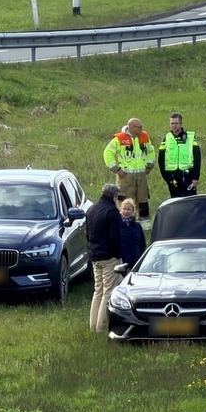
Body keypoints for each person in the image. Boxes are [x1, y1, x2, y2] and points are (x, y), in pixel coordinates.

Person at [103, 118, 155, 232]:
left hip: (141, 176)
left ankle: (144, 228)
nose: (142, 129)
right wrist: (116, 169)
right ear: (131, 127)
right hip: (125, 177)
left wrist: (149, 165)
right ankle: (124, 225)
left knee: (143, 201)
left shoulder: (144, 137)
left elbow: (151, 151)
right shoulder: (119, 139)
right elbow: (107, 153)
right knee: (125, 201)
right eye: (139, 127)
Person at [86, 183, 124, 333]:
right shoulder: (112, 212)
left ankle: (92, 325)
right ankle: (101, 327)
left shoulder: (91, 209)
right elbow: (114, 238)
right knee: (108, 291)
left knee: (98, 290)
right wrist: (118, 255)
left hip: (94, 255)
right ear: (114, 196)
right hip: (109, 257)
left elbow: (88, 234)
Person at [158, 112, 202, 200]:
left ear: (181, 124)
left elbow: (197, 158)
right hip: (173, 176)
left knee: (190, 201)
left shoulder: (190, 137)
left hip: (188, 176)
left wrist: (195, 177)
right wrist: (166, 177)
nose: (174, 126)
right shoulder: (167, 138)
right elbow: (160, 159)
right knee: (176, 202)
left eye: (176, 123)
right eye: (172, 123)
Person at [118, 198, 147, 268]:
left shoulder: (137, 226)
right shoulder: (117, 225)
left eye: (128, 209)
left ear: (133, 211)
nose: (126, 211)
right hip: (122, 262)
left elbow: (142, 244)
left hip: (136, 260)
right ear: (120, 210)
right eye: (124, 209)